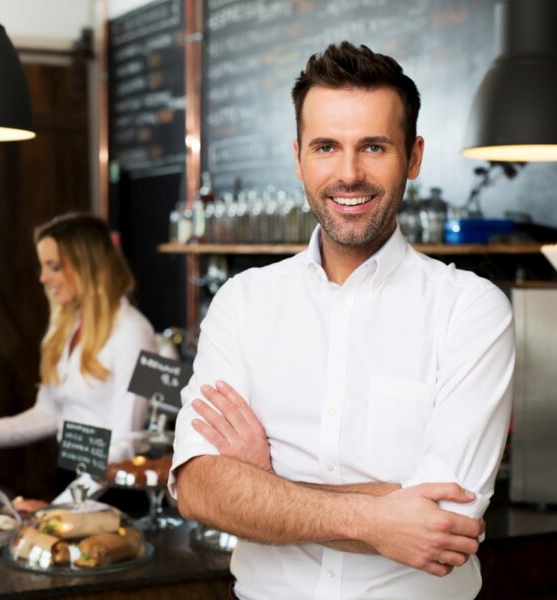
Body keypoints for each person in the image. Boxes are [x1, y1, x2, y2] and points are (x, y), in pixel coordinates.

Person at [169, 42, 514, 600]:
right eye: (326, 147)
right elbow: (199, 490)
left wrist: (267, 486)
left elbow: (444, 522)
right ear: (299, 157)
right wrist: (380, 515)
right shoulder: (242, 301)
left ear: (414, 156)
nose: (348, 173)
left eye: (373, 146)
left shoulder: (470, 309)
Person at [0, 213, 156, 478]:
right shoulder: (67, 324)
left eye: (54, 266)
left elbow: (125, 445)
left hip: (113, 489)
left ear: (88, 266)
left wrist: (62, 508)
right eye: (43, 266)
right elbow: (50, 412)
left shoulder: (134, 333)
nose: (43, 278)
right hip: (71, 478)